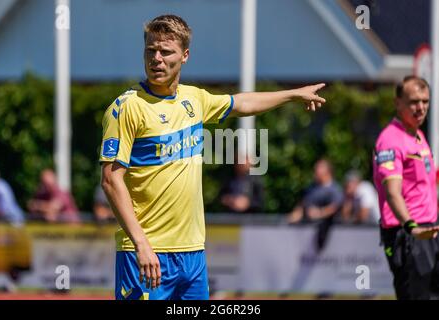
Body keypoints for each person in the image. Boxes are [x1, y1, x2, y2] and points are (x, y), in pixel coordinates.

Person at [99, 14, 326, 300]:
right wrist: (141, 243)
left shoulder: (194, 99)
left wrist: (294, 94)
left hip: (193, 255)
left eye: (165, 51)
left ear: (185, 56)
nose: (156, 58)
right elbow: (110, 180)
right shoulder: (127, 108)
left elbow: (241, 102)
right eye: (150, 50)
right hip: (146, 252)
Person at [373, 76, 439, 300]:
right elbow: (393, 192)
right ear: (397, 103)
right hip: (409, 233)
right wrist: (411, 227)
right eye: (413, 101)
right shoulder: (390, 140)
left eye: (425, 101)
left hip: (430, 231)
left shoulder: (418, 135)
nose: (420, 107)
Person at [286, 158, 343, 251]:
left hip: (327, 234)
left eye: (318, 169)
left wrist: (320, 213)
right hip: (307, 236)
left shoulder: (334, 189)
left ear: (327, 171)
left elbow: (336, 206)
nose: (315, 171)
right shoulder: (312, 188)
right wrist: (296, 213)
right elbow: (303, 203)